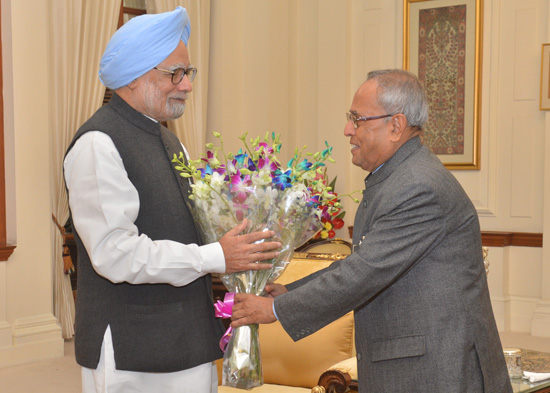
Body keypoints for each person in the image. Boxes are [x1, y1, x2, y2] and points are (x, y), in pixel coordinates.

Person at [231, 69, 513, 393]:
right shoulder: (397, 177)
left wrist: (274, 310)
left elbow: (363, 273)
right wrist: (290, 293)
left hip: (438, 373)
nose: (347, 129)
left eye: (357, 118)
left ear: (395, 126)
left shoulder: (418, 186)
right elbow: (362, 262)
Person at [63, 7, 280, 393]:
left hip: (188, 339)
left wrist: (244, 259)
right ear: (134, 75)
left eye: (188, 73)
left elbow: (183, 227)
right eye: (174, 73)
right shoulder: (98, 143)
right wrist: (216, 256)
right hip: (135, 351)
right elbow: (115, 254)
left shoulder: (169, 139)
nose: (187, 85)